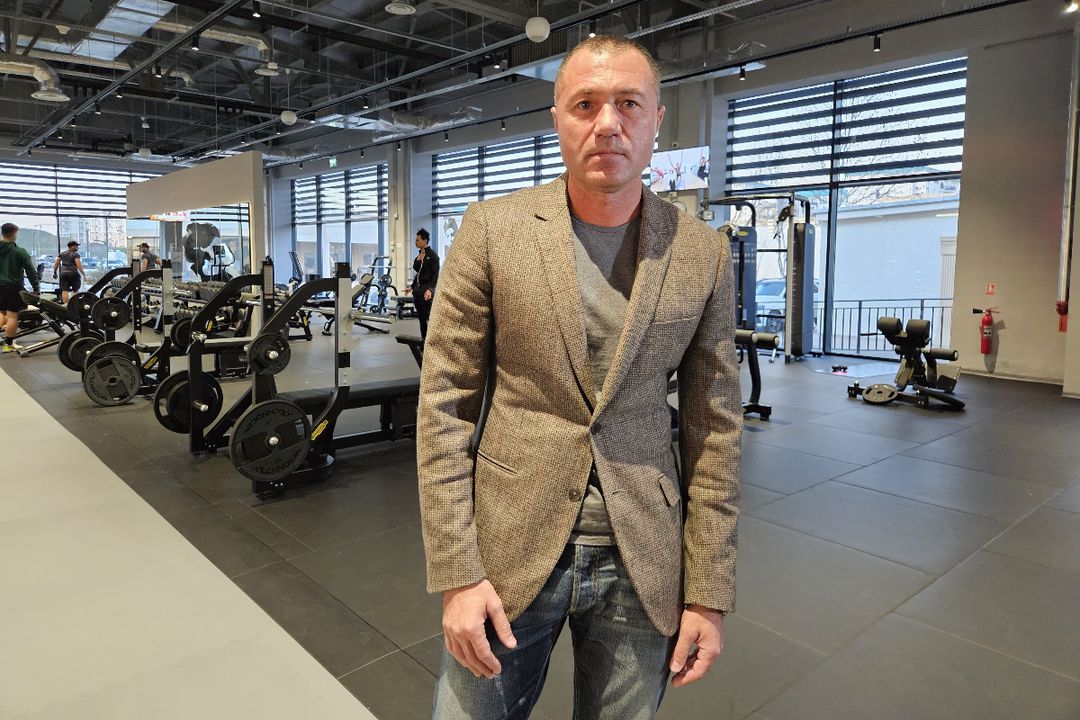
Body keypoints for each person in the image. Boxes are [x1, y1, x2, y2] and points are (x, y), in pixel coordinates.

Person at [418, 35, 741, 720]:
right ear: (557, 118)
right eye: (585, 104)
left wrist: (708, 592)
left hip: (643, 556)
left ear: (657, 120)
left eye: (629, 103)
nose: (608, 123)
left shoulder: (703, 254)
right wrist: (456, 572)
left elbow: (715, 428)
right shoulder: (492, 230)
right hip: (507, 548)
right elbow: (443, 404)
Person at [0, 223, 41, 353]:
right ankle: (9, 345)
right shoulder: (19, 251)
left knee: (2, 313)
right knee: (12, 316)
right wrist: (36, 287)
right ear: (13, 234)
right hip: (12, 287)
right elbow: (31, 271)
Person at [407, 228, 439, 339]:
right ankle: (424, 340)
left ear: (425, 241)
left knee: (430, 317)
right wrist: (412, 287)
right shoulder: (419, 255)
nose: (415, 242)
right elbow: (418, 272)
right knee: (421, 318)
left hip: (426, 291)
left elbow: (435, 275)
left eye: (418, 240)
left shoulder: (433, 256)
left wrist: (430, 290)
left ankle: (433, 340)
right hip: (418, 291)